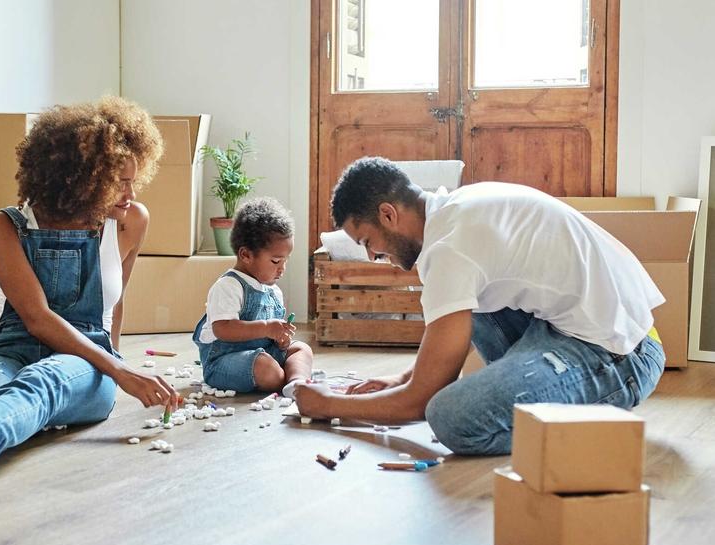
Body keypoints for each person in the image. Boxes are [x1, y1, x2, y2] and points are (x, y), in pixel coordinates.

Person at [0, 96, 178, 510]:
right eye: (119, 181)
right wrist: (122, 372)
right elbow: (36, 318)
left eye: (134, 180)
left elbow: (115, 305)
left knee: (45, 381)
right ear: (81, 178)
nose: (130, 193)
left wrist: (112, 364)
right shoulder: (7, 226)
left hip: (88, 359)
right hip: (13, 343)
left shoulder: (130, 220)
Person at [295, 156, 666, 455]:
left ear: (389, 214)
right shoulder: (456, 210)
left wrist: (328, 405)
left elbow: (417, 404)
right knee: (467, 311)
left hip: (621, 355)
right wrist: (400, 379)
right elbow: (446, 344)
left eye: (367, 240)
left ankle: (593, 427)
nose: (373, 255)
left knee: (450, 416)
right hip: (583, 327)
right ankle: (549, 400)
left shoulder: (449, 249)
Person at [192, 197, 313, 396]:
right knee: (267, 368)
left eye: (285, 261)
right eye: (275, 261)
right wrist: (266, 328)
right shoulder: (228, 286)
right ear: (246, 255)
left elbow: (273, 339)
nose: (282, 268)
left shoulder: (273, 291)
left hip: (263, 354)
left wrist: (281, 339)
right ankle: (283, 378)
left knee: (302, 349)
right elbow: (223, 329)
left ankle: (296, 383)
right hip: (225, 360)